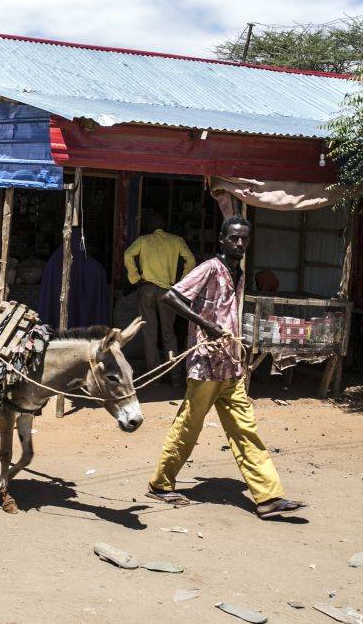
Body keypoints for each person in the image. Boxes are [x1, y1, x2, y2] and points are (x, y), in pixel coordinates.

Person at [146, 215, 307, 520]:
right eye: (234, 238)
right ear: (222, 239)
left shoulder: (239, 273)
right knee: (188, 428)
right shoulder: (208, 268)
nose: (239, 243)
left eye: (244, 238)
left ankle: (268, 497)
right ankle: (160, 483)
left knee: (246, 431)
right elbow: (171, 297)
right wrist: (207, 325)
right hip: (206, 364)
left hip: (230, 367)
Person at [124, 210, 196, 385]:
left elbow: (127, 255)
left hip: (147, 289)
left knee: (149, 334)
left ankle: (153, 377)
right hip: (167, 291)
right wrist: (181, 282)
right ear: (164, 226)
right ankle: (175, 376)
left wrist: (134, 277)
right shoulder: (176, 240)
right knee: (168, 334)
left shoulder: (143, 240)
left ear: (150, 226)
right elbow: (191, 260)